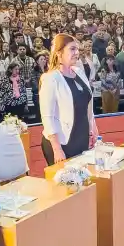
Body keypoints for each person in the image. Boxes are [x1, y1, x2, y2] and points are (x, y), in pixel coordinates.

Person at [38, 33, 97, 165]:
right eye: (72, 49)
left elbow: (88, 105)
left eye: (77, 49)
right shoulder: (51, 78)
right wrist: (57, 148)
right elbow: (47, 117)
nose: (76, 53)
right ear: (59, 53)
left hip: (81, 137)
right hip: (62, 142)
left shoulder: (79, 72)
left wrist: (93, 129)